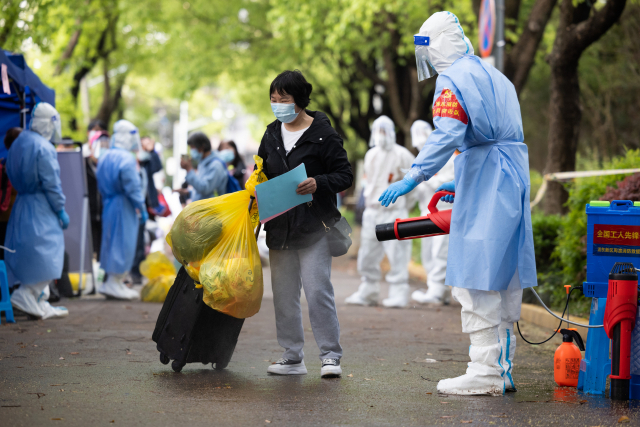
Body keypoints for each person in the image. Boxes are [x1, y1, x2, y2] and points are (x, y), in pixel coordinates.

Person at [379, 11, 537, 396]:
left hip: (487, 177)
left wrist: (414, 176)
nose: (430, 61)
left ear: (440, 45)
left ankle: (485, 372)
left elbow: (447, 133)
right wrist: (461, 179)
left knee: (476, 276)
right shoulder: (496, 77)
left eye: (429, 51)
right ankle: (503, 369)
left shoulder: (453, 80)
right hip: (507, 176)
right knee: (500, 274)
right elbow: (497, 137)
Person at [258, 70, 353, 378]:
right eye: (273, 99)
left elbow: (344, 175)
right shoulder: (271, 134)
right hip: (280, 228)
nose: (277, 105)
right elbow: (261, 172)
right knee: (284, 294)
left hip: (313, 228)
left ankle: (330, 356)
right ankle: (292, 356)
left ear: (299, 100)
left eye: (283, 99)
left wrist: (318, 182)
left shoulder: (322, 133)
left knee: (317, 290)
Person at [6, 103, 70, 319]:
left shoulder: (19, 142)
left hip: (22, 204)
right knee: (46, 253)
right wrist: (60, 209)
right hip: (41, 207)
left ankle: (39, 301)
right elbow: (51, 183)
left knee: (30, 254)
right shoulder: (43, 147)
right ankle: (26, 295)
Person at [345, 116, 415, 308]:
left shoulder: (403, 154)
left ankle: (399, 292)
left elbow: (415, 184)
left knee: (397, 253)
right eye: (378, 130)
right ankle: (369, 290)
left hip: (395, 212)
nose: (381, 135)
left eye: (384, 130)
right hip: (372, 211)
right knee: (367, 253)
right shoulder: (371, 155)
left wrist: (403, 206)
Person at [97, 120, 146, 300]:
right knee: (123, 242)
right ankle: (114, 282)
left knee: (110, 241)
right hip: (124, 205)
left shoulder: (105, 156)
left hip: (109, 204)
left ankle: (113, 281)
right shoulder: (126, 159)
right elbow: (133, 187)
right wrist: (140, 206)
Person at [409, 120, 456, 305]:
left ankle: (437, 291)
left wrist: (424, 178)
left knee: (440, 252)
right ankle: (437, 289)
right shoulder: (420, 159)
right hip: (426, 212)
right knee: (428, 252)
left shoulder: (449, 157)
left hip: (444, 211)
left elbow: (445, 184)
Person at [130, 136, 164, 284]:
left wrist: (152, 151)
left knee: (141, 242)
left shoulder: (145, 164)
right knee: (135, 241)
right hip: (132, 209)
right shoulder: (131, 164)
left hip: (144, 208)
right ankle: (132, 272)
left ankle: (137, 272)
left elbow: (157, 166)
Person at [178, 132, 228, 201]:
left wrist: (189, 170)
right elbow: (204, 192)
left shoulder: (216, 165)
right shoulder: (202, 163)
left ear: (202, 147)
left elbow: (205, 189)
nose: (191, 150)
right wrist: (188, 192)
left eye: (193, 147)